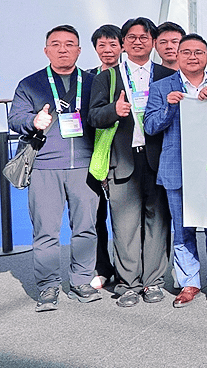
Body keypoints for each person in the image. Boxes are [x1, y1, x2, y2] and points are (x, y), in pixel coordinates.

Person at [9, 25, 101, 311]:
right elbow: (15, 118)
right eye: (56, 44)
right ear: (46, 50)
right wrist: (33, 121)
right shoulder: (30, 84)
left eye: (69, 44)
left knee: (85, 229)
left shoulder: (93, 82)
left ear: (79, 50)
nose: (63, 49)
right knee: (46, 231)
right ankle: (48, 286)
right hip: (45, 166)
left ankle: (81, 281)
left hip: (85, 166)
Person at [90, 17, 174, 307]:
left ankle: (153, 282)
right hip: (123, 160)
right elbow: (94, 116)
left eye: (144, 37)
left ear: (153, 42)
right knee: (124, 226)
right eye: (132, 37)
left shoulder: (167, 75)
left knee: (158, 223)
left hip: (158, 159)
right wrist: (115, 110)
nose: (138, 42)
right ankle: (127, 284)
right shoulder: (108, 77)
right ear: (123, 43)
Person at [142, 33, 207, 308]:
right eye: (186, 52)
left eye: (198, 52)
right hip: (176, 165)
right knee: (182, 228)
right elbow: (150, 127)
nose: (192, 57)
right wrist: (169, 107)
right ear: (177, 56)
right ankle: (189, 281)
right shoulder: (161, 87)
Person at [87, 24, 122, 290]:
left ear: (122, 46)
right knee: (95, 215)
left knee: (124, 218)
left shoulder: (129, 77)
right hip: (93, 154)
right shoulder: (88, 79)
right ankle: (102, 266)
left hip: (122, 156)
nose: (107, 50)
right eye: (102, 45)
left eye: (113, 44)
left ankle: (126, 269)